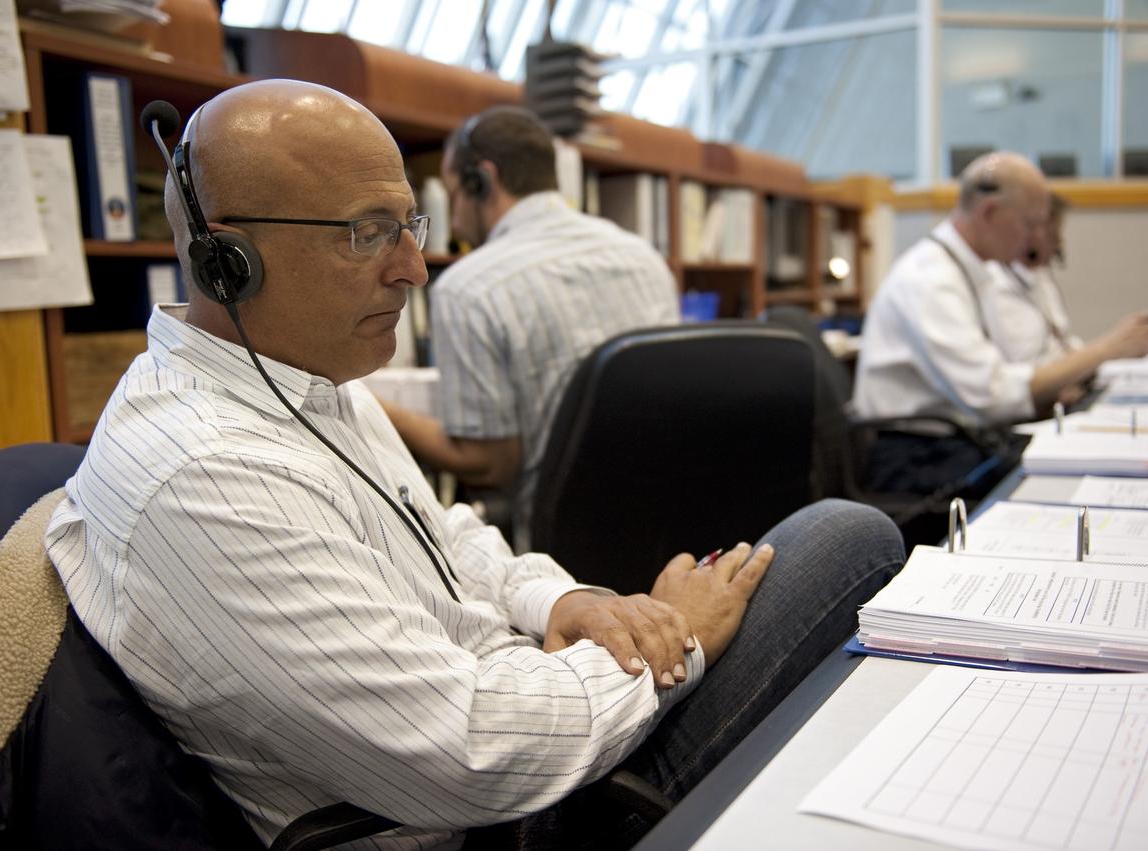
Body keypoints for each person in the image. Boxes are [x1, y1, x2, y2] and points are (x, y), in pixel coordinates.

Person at [44, 80, 905, 850]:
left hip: (531, 701)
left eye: (410, 224)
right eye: (369, 233)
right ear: (226, 259)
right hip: (495, 815)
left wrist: (562, 600)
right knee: (847, 537)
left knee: (832, 568)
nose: (415, 266)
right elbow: (467, 751)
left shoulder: (306, 381)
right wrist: (675, 639)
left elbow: (448, 534)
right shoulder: (206, 473)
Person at [379, 106, 680, 549]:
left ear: (484, 179)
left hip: (561, 546)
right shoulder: (645, 258)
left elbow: (489, 464)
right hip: (670, 521)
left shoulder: (470, 287)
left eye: (455, 195)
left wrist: (376, 408)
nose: (456, 223)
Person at [852, 151, 1148, 493]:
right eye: (1029, 224)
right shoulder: (930, 281)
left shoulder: (967, 270)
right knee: (1063, 478)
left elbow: (1007, 374)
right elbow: (994, 396)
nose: (1031, 238)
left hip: (953, 442)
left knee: (1074, 463)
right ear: (990, 212)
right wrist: (1107, 349)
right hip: (916, 458)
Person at [983, 192, 1083, 366]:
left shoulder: (1039, 277)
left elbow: (1061, 340)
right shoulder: (998, 284)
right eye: (1054, 234)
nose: (1060, 243)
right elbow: (1026, 362)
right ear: (1029, 233)